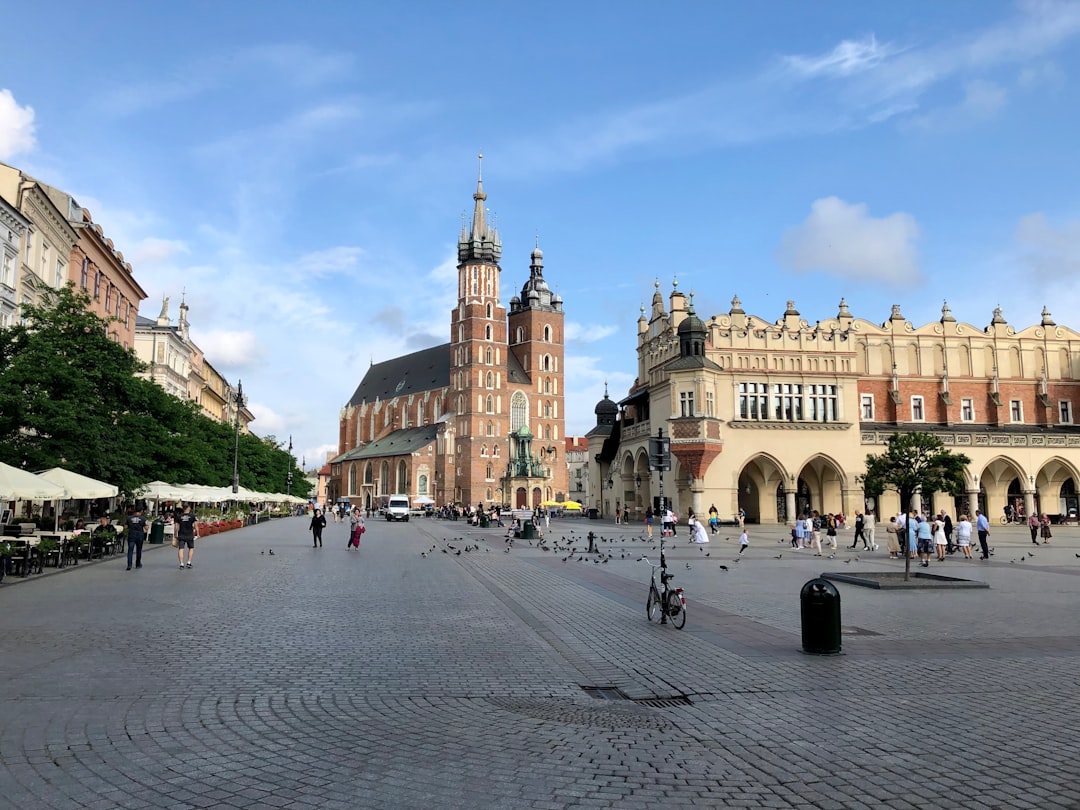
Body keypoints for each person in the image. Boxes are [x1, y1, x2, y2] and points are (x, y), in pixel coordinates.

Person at [175, 505, 198, 569]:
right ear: (188, 508)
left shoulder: (179, 516)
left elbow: (176, 526)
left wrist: (175, 534)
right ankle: (188, 562)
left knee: (181, 549)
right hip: (189, 534)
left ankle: (181, 564)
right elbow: (196, 525)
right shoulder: (192, 516)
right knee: (191, 548)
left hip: (181, 534)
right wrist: (197, 533)